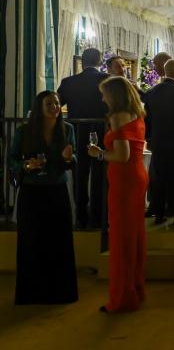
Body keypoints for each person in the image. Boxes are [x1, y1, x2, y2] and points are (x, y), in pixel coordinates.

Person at [9, 91, 78, 305]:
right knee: (32, 242)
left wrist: (70, 157)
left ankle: (60, 293)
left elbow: (72, 161)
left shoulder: (67, 130)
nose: (55, 107)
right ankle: (33, 293)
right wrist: (25, 166)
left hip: (56, 190)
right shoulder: (24, 131)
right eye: (50, 103)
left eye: (57, 103)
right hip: (32, 192)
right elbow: (12, 159)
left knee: (59, 242)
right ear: (39, 107)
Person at [87, 77, 148, 313]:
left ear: (114, 95)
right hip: (137, 175)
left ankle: (123, 297)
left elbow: (121, 155)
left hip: (125, 180)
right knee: (134, 235)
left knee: (121, 238)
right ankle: (135, 288)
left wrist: (99, 154)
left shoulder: (117, 117)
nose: (102, 98)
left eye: (104, 94)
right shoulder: (138, 114)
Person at [57, 47, 109, 228]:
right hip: (102, 132)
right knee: (99, 175)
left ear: (82, 62)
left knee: (80, 173)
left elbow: (56, 105)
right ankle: (97, 215)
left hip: (77, 131)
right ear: (100, 61)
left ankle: (80, 215)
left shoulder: (69, 82)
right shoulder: (107, 80)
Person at [144, 59, 174, 225]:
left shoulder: (151, 92)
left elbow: (147, 120)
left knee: (159, 177)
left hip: (158, 141)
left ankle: (158, 213)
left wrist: (149, 139)